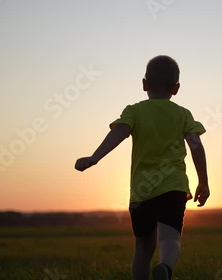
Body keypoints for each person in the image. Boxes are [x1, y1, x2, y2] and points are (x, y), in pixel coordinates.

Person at [75, 55, 210, 280]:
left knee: (143, 247)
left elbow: (118, 132)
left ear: (144, 84)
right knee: (170, 238)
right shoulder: (183, 114)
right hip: (172, 187)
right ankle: (165, 267)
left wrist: (94, 157)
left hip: (141, 191)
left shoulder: (134, 111)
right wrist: (203, 182)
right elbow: (196, 146)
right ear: (176, 88)